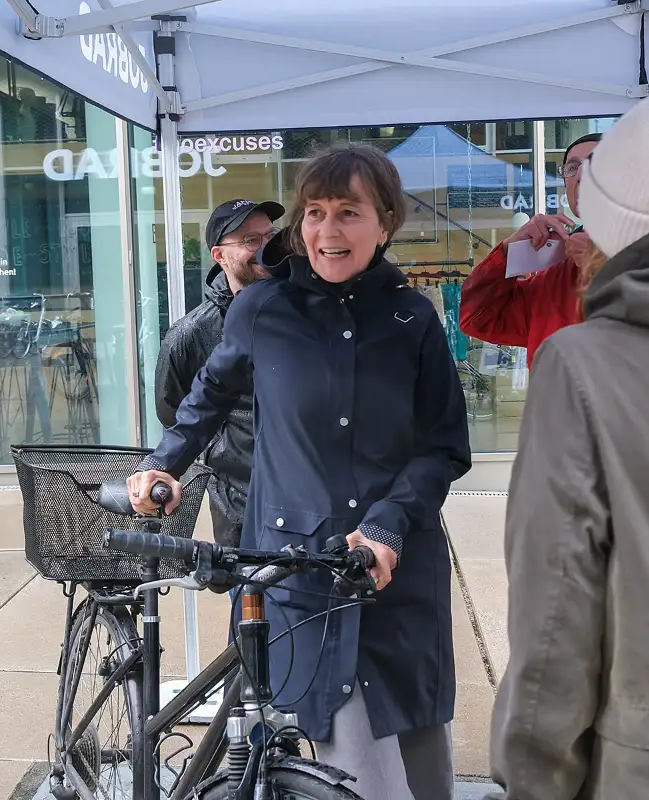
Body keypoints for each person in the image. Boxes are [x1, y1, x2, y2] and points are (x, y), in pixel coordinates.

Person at [128, 144, 471, 799]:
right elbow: (207, 397)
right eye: (315, 212)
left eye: (349, 212)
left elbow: (444, 446)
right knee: (352, 767)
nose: (327, 229)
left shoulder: (414, 318)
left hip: (396, 570)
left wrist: (388, 523)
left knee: (425, 761)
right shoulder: (263, 308)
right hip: (299, 569)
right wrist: (162, 463)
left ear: (386, 223)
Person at [488, 87, 649, 798]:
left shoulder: (583, 365)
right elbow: (485, 310)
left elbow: (554, 624)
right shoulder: (554, 296)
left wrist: (533, 778)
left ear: (605, 215)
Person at [154, 198, 284, 549]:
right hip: (239, 504)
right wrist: (227, 452)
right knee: (247, 586)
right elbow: (175, 412)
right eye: (250, 240)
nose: (266, 247)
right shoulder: (191, 334)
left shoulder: (305, 312)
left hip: (306, 503)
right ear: (219, 256)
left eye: (270, 236)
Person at [459, 133, 602, 368]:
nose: (581, 175)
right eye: (572, 167)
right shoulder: (555, 273)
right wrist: (509, 253)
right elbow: (478, 318)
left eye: (596, 162)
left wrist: (603, 262)